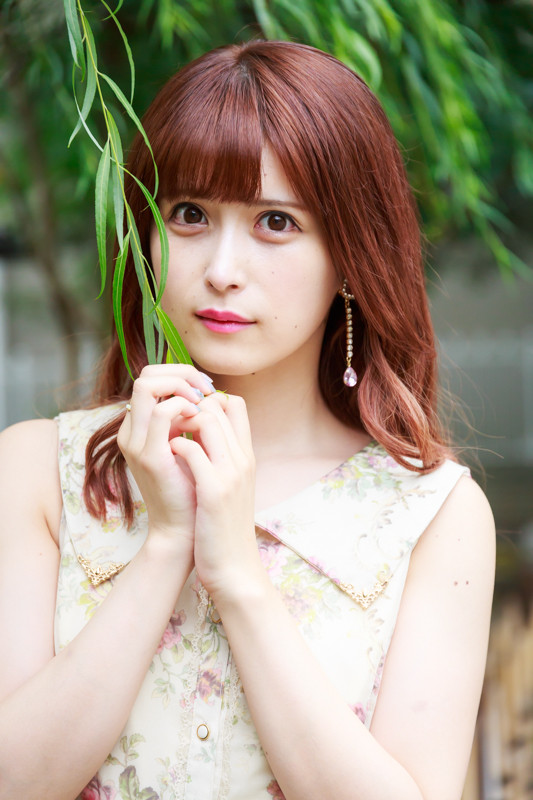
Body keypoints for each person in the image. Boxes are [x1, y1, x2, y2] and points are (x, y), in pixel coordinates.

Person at [0, 40, 495, 800]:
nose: (221, 269)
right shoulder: (40, 473)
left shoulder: (430, 514)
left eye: (275, 222)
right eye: (190, 214)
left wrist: (236, 576)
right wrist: (165, 547)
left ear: (350, 256)